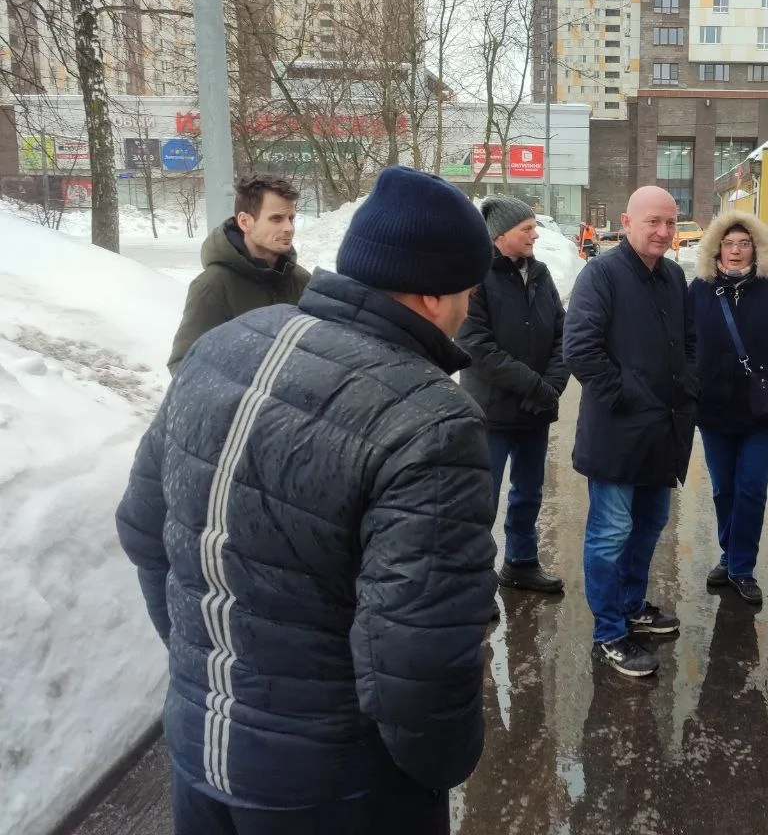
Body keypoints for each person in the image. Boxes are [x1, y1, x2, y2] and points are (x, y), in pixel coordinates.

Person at [116, 166, 498, 834]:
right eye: (469, 292)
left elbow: (145, 530)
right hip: (334, 785)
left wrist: (202, 672)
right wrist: (438, 768)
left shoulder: (224, 345)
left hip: (200, 750)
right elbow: (418, 649)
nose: (468, 309)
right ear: (436, 296)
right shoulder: (432, 420)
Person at [563, 186, 698, 678]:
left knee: (649, 523)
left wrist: (689, 384)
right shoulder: (601, 275)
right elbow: (580, 349)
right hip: (618, 433)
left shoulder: (673, 276)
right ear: (626, 222)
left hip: (663, 431)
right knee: (611, 533)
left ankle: (631, 605)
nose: (663, 231)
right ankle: (609, 633)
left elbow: (689, 341)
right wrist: (628, 396)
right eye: (652, 221)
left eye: (670, 221)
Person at [688, 210, 768, 605]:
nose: (736, 251)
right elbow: (685, 340)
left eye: (744, 244)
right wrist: (694, 379)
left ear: (756, 249)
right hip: (714, 408)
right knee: (723, 487)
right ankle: (729, 553)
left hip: (762, 411)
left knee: (751, 487)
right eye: (729, 244)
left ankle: (741, 568)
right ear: (716, 248)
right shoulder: (700, 289)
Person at [457, 195, 569, 595]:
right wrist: (538, 386)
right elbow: (477, 348)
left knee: (529, 494)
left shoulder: (539, 273)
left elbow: (564, 334)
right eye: (527, 228)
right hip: (491, 413)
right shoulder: (475, 278)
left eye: (534, 227)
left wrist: (551, 386)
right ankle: (473, 582)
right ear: (500, 234)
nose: (535, 235)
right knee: (481, 500)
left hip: (534, 410)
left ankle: (521, 563)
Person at [168, 172, 310, 374]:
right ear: (245, 222)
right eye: (276, 219)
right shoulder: (213, 285)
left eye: (291, 218)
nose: (288, 228)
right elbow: (184, 365)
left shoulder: (301, 281)